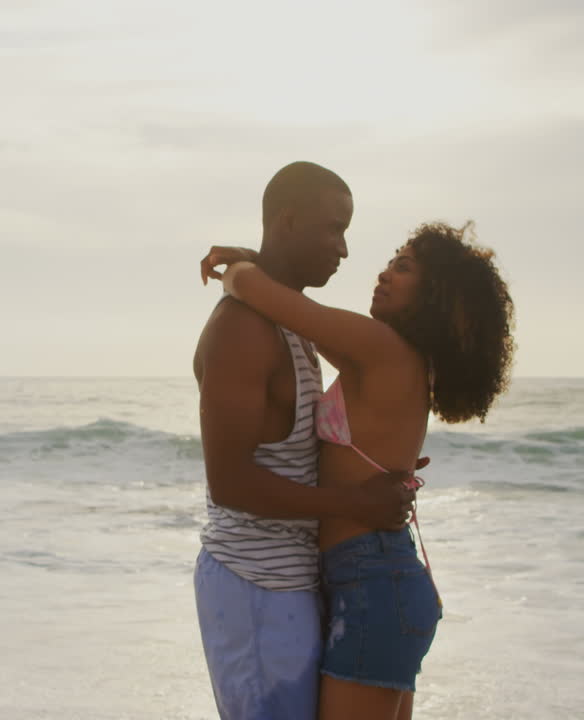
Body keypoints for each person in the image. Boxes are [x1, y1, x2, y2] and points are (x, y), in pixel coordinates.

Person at [201, 220, 516, 720]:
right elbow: (295, 313)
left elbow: (265, 297)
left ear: (434, 295)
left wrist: (238, 264)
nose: (385, 273)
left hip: (372, 583)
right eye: (392, 260)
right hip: (378, 581)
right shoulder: (391, 358)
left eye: (405, 267)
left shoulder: (382, 350)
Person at [192, 162, 421, 720]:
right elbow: (230, 482)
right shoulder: (242, 329)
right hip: (254, 584)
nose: (344, 250)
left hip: (294, 583)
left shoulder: (289, 320)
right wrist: (357, 503)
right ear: (289, 220)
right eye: (333, 228)